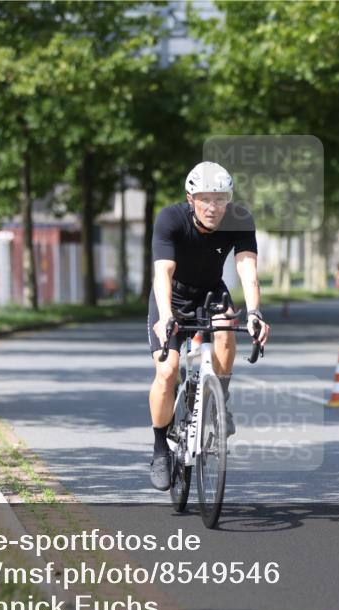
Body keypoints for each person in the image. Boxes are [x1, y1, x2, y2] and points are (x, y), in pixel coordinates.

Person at [147, 161, 270, 491]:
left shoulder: (240, 220)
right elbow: (163, 273)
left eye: (220, 199)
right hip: (171, 296)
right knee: (168, 371)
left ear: (228, 200)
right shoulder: (170, 219)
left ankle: (219, 403)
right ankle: (161, 449)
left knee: (227, 328)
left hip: (212, 292)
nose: (212, 207)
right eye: (205, 199)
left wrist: (255, 312)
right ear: (190, 198)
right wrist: (164, 316)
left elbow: (247, 269)